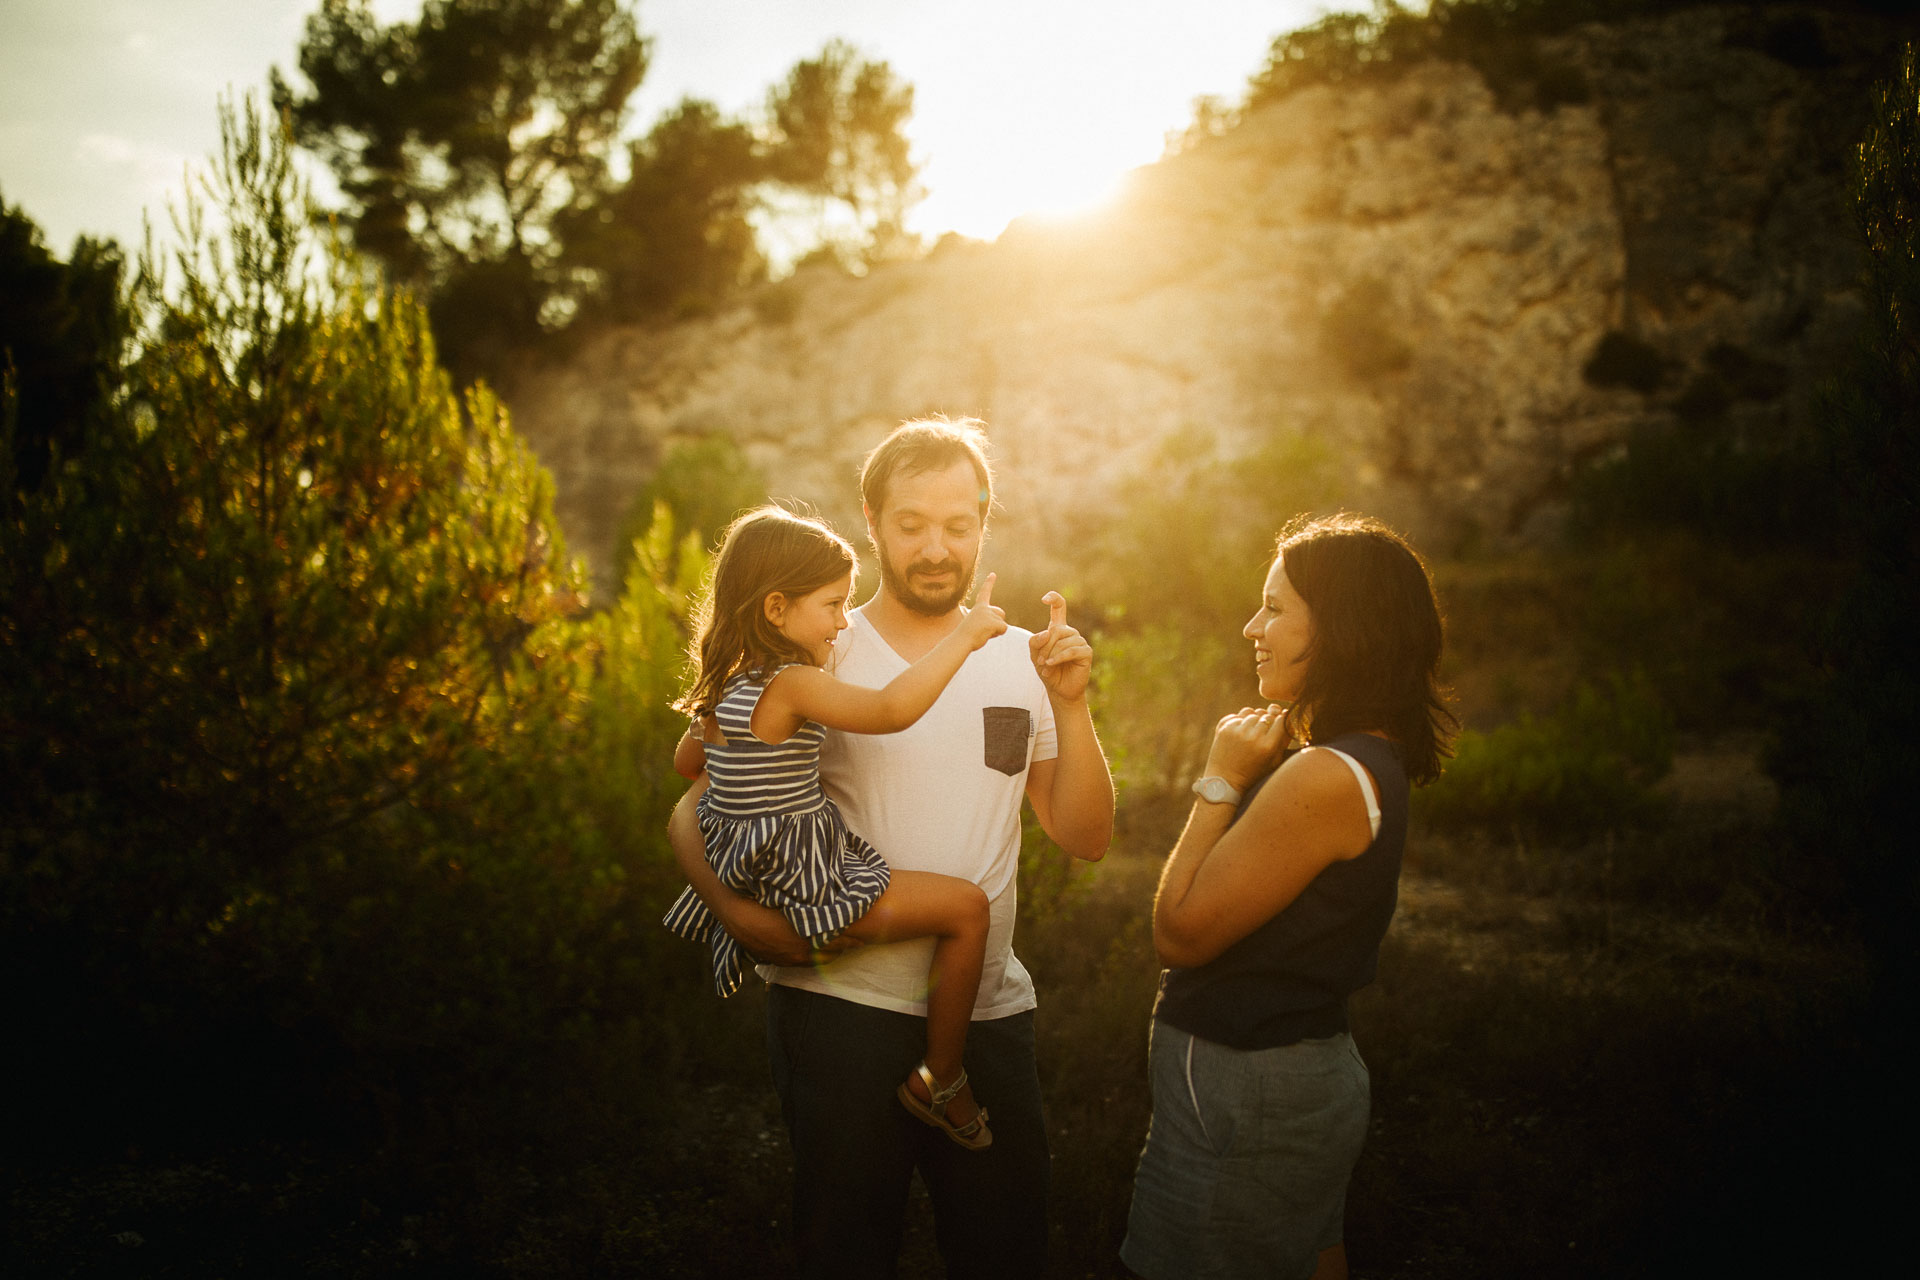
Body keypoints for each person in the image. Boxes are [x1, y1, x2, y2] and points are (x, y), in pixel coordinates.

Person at [669, 418, 1115, 1279]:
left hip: (987, 1016)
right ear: (870, 521)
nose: (937, 547)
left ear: (985, 523)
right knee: (844, 1255)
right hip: (837, 1011)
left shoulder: (1022, 657)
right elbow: (698, 800)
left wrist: (1072, 705)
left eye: (958, 524)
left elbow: (1086, 836)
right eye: (912, 523)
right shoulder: (817, 645)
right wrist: (731, 912)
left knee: (1006, 1255)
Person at [1121, 512, 1456, 1280]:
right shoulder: (1362, 760)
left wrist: (1220, 782)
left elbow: (1180, 933)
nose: (1252, 627)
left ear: (1339, 628)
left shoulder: (1325, 774)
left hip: (1250, 1085)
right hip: (1282, 1084)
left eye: (1275, 608)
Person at [662, 504, 1010, 1146]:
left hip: (753, 879)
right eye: (831, 604)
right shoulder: (792, 683)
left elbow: (690, 764)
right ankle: (944, 1077)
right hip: (808, 884)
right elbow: (890, 709)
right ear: (775, 610)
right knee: (967, 910)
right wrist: (966, 635)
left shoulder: (725, 693)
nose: (842, 622)